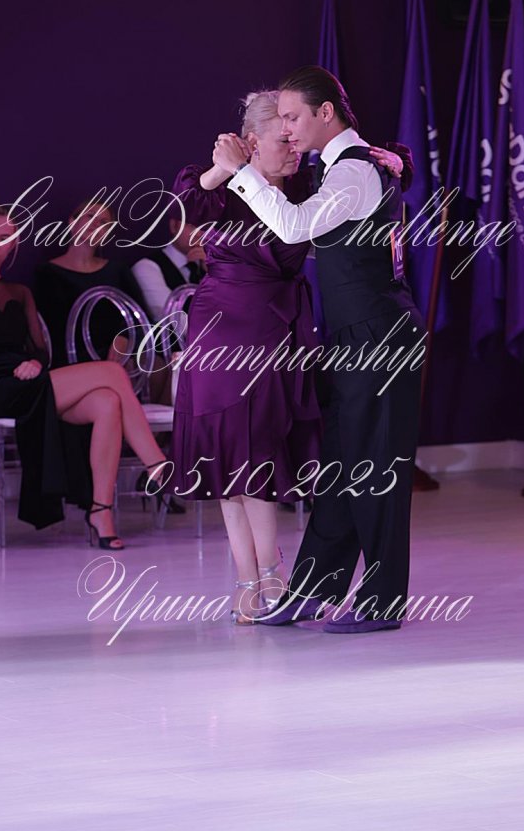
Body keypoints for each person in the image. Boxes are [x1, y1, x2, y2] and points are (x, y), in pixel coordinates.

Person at [170, 91, 410, 625]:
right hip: (223, 327)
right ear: (252, 142)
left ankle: (278, 576)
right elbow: (185, 204)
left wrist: (396, 162)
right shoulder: (221, 186)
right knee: (229, 455)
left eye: (295, 135)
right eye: (284, 140)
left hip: (281, 329)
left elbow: (367, 168)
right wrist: (222, 170)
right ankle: (250, 580)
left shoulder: (306, 184)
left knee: (260, 450)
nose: (295, 148)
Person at [0, 205, 168, 548]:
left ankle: (101, 512)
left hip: (29, 382)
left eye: (5, 238)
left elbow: (40, 350)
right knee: (110, 372)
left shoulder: (19, 292)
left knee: (107, 401)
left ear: (14, 245)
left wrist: (35, 362)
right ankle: (158, 466)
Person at [34, 199, 148, 369]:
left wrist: (124, 338)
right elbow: (45, 330)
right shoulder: (47, 273)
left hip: (116, 362)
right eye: (90, 216)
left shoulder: (118, 271)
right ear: (73, 221)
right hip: (70, 364)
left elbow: (140, 318)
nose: (95, 224)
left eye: (103, 222)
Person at [131, 217, 207, 323]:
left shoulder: (213, 267)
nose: (199, 234)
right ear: (173, 226)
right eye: (191, 225)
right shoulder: (147, 267)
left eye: (206, 227)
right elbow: (171, 319)